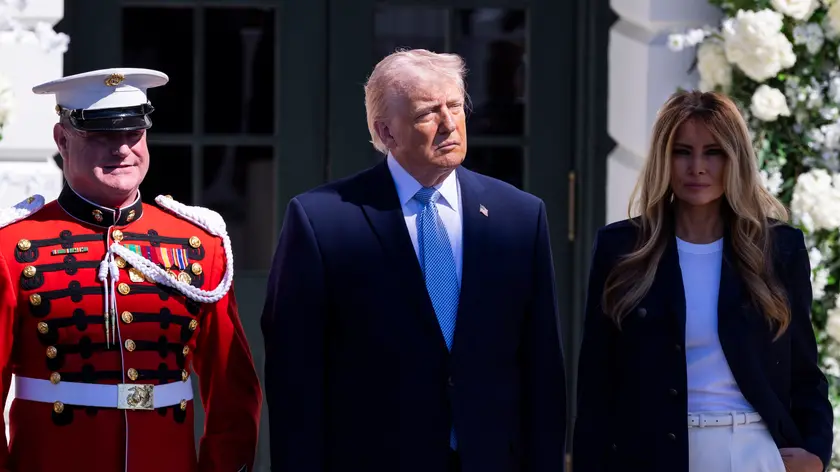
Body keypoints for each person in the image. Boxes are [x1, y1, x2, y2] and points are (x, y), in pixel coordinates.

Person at [260, 49, 567, 472]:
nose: (449, 123)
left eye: (455, 106)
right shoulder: (321, 220)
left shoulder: (519, 215)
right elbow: (294, 376)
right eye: (427, 113)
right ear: (386, 132)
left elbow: (542, 367)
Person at [0, 68, 263, 472]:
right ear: (62, 139)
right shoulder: (13, 246)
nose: (121, 149)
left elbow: (233, 392)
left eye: (133, 133)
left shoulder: (199, 243)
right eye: (101, 135)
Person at [573, 90, 833, 472]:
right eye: (682, 152)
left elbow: (805, 372)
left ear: (735, 159)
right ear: (663, 158)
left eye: (713, 152)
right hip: (651, 455)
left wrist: (815, 455)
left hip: (753, 451)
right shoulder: (622, 248)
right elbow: (597, 383)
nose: (697, 167)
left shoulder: (778, 248)